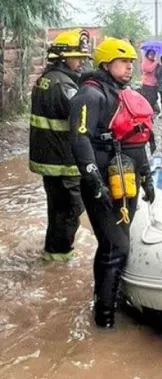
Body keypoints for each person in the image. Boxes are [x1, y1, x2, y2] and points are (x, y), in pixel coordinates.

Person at [69, 37, 155, 328]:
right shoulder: (90, 95)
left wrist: (147, 176)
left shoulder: (124, 94)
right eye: (123, 62)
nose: (129, 66)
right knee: (116, 248)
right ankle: (104, 320)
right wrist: (93, 179)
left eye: (131, 62)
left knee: (113, 246)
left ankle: (105, 300)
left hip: (125, 179)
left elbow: (137, 140)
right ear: (106, 63)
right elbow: (79, 139)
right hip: (102, 182)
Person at [29, 29, 91, 262]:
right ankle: (60, 258)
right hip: (62, 161)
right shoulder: (64, 86)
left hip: (49, 159)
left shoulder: (46, 79)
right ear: (63, 58)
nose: (82, 63)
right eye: (78, 58)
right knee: (70, 210)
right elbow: (81, 118)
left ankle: (51, 252)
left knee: (57, 209)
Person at [141, 48, 159, 113]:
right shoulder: (145, 61)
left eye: (153, 54)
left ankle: (152, 111)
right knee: (148, 100)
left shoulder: (154, 62)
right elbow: (148, 69)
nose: (152, 55)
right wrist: (155, 63)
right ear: (147, 54)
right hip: (147, 84)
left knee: (154, 99)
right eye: (151, 54)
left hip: (154, 84)